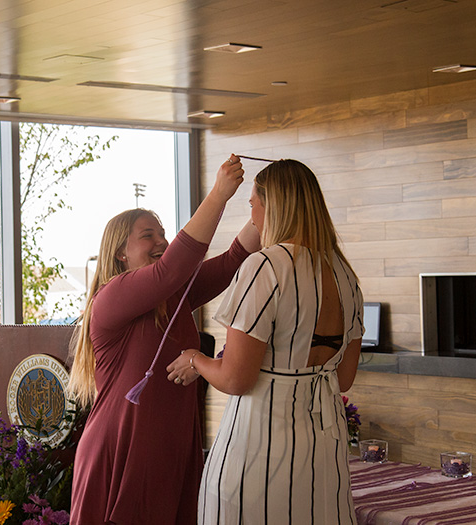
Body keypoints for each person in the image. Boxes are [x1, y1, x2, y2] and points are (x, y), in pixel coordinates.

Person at [167, 159, 364, 525]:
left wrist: (195, 358)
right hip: (324, 451)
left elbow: (236, 379)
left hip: (258, 449)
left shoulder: (265, 267)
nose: (253, 215)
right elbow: (345, 378)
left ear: (272, 206)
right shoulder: (344, 273)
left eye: (253, 203)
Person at [68, 154, 261, 525]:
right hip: (124, 449)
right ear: (120, 253)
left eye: (162, 233)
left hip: (169, 448)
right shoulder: (110, 297)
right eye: (148, 236)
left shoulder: (174, 295)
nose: (161, 241)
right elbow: (173, 267)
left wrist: (266, 206)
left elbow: (233, 259)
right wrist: (219, 194)